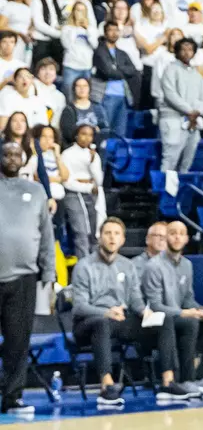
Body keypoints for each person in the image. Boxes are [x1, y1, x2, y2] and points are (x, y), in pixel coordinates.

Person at [71, 217, 187, 406]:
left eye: (116, 234)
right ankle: (106, 386)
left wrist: (145, 313)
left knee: (163, 320)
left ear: (123, 240)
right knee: (101, 323)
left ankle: (168, 382)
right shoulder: (84, 266)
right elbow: (80, 306)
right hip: (89, 322)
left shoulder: (128, 265)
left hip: (121, 319)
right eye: (108, 233)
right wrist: (105, 312)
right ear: (100, 237)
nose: (112, 238)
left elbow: (135, 299)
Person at [142, 221, 203, 396]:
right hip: (160, 321)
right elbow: (155, 305)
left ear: (186, 239)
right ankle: (187, 379)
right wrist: (185, 313)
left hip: (182, 315)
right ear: (166, 237)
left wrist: (201, 310)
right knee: (190, 322)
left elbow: (188, 298)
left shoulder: (187, 265)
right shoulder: (153, 266)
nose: (177, 236)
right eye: (173, 232)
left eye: (181, 233)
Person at [0, 141, 55, 416]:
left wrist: (49, 270)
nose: (11, 158)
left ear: (23, 159)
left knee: (18, 341)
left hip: (24, 276)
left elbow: (47, 234)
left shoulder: (35, 191)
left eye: (15, 154)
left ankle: (12, 398)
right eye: (6, 154)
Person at [159, 38, 203, 176]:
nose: (186, 52)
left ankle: (180, 195)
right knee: (170, 160)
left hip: (193, 122)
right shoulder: (170, 69)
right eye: (183, 49)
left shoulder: (196, 74)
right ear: (177, 51)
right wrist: (189, 110)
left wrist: (198, 111)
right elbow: (170, 94)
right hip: (173, 120)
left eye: (190, 49)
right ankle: (166, 196)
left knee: (187, 163)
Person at [60, 122, 103, 257]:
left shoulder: (93, 155)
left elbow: (99, 180)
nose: (87, 138)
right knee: (81, 232)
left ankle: (96, 264)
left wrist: (91, 162)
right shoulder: (67, 154)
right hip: (73, 195)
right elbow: (67, 182)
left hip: (92, 196)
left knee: (95, 232)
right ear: (76, 135)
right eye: (83, 134)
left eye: (90, 135)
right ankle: (83, 265)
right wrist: (88, 186)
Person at [131, 221, 167, 288]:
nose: (162, 239)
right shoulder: (133, 265)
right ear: (147, 239)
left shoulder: (172, 265)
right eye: (158, 235)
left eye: (165, 237)